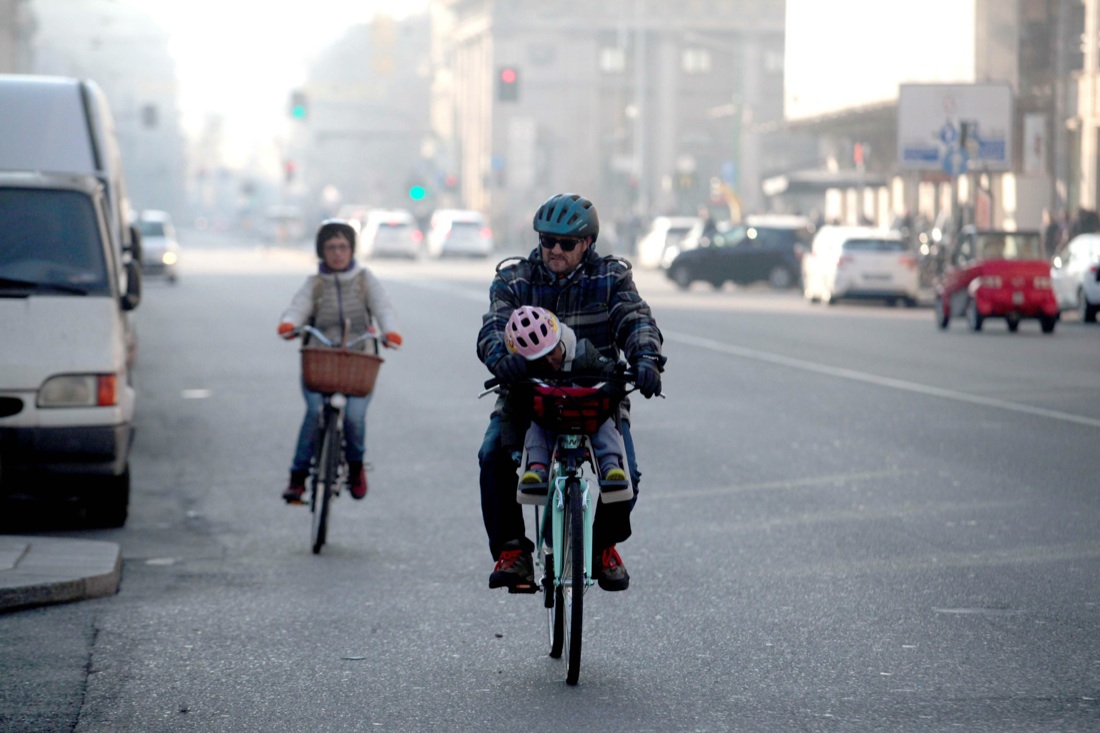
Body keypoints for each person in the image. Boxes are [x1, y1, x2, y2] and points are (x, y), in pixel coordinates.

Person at [477, 192, 664, 593]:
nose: (554, 250)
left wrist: (647, 360)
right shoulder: (515, 278)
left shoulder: (611, 278)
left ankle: (601, 548)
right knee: (492, 456)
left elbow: (635, 320)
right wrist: (500, 358)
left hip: (596, 395)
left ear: (588, 244)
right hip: (527, 392)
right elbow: (495, 324)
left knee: (626, 474)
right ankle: (514, 552)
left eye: (565, 243)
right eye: (547, 241)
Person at [276, 219, 402, 504]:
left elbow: (383, 307)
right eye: (331, 247)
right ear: (321, 251)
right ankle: (298, 478)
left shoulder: (364, 279)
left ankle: (356, 467)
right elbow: (297, 308)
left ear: (352, 250)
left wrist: (390, 331)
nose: (337, 253)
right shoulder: (315, 284)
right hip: (319, 359)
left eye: (343, 247)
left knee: (355, 417)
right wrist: (288, 324)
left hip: (360, 359)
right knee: (313, 411)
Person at [502, 305, 627, 488]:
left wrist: (617, 375)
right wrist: (512, 447)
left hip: (587, 417)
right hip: (549, 419)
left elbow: (607, 369)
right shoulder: (529, 374)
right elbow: (511, 408)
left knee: (605, 421)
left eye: (551, 352)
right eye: (540, 359)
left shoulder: (583, 351)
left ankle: (610, 465)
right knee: (535, 424)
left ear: (560, 340)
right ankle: (537, 467)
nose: (549, 361)